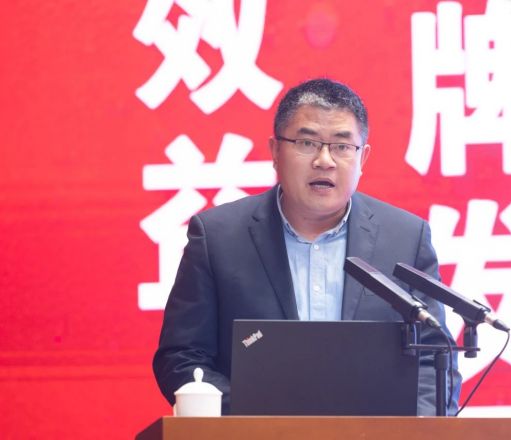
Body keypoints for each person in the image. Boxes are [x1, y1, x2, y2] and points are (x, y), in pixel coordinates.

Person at [153, 78, 462, 415]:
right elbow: (184, 357)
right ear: (275, 151)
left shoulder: (405, 238)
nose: (324, 160)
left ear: (363, 157)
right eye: (307, 142)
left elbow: (434, 359)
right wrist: (261, 421)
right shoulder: (218, 238)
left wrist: (412, 431)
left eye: (342, 146)